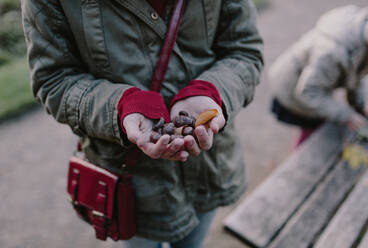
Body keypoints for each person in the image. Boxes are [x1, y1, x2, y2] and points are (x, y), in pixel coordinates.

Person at [21, 0, 263, 247]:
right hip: (134, 183)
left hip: (208, 170)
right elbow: (54, 80)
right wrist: (120, 105)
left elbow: (244, 50)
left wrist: (211, 90)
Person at [269, 5, 368, 148]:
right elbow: (308, 92)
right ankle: (301, 161)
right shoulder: (332, 53)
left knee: (325, 118)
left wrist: (358, 106)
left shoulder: (363, 35)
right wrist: (347, 115)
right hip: (292, 88)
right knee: (316, 126)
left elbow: (356, 74)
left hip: (309, 82)